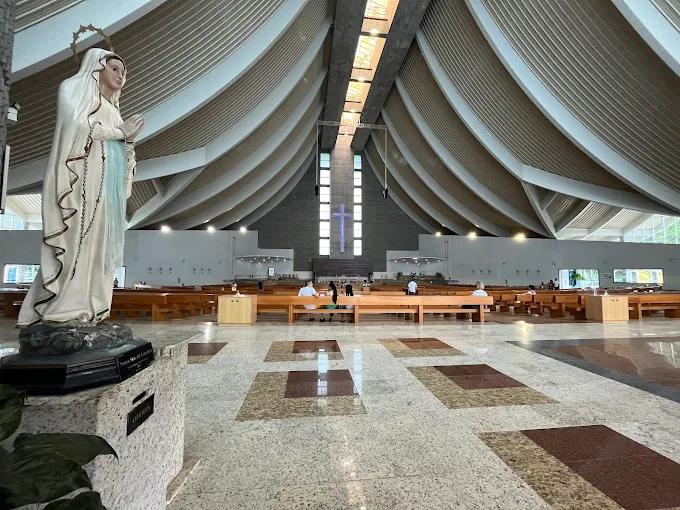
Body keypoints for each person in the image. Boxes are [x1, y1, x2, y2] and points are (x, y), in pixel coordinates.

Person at [18, 48, 142, 327]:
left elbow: (122, 150)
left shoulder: (114, 111)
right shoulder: (74, 89)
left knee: (99, 245)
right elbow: (76, 125)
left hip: (106, 189)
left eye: (124, 72)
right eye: (114, 69)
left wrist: (129, 141)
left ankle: (92, 306)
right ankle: (63, 307)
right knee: (77, 239)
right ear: (97, 66)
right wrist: (120, 132)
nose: (121, 76)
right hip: (81, 181)